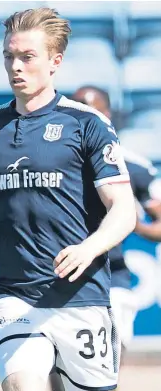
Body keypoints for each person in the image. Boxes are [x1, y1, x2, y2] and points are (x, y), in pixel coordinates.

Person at [0, 8, 136, 391]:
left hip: (82, 298)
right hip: (13, 298)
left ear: (55, 62)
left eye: (27, 57)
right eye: (9, 56)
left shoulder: (87, 123)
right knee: (22, 385)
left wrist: (90, 248)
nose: (15, 66)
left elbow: (122, 210)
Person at [71, 85, 161, 351]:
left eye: (92, 111)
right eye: (78, 111)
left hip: (112, 276)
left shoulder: (133, 167)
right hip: (61, 272)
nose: (85, 118)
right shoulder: (51, 161)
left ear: (107, 115)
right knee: (58, 361)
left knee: (110, 355)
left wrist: (134, 223)